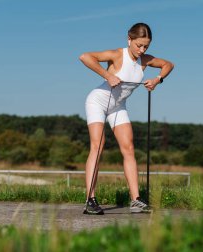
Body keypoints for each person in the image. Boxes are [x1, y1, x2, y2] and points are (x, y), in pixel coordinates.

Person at [79, 23, 174, 215]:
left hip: (118, 106)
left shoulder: (144, 60)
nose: (142, 50)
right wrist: (107, 75)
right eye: (138, 45)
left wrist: (157, 79)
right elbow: (85, 57)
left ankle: (136, 200)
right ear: (129, 39)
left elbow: (168, 65)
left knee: (129, 148)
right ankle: (90, 200)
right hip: (98, 101)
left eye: (146, 46)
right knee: (98, 146)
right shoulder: (116, 54)